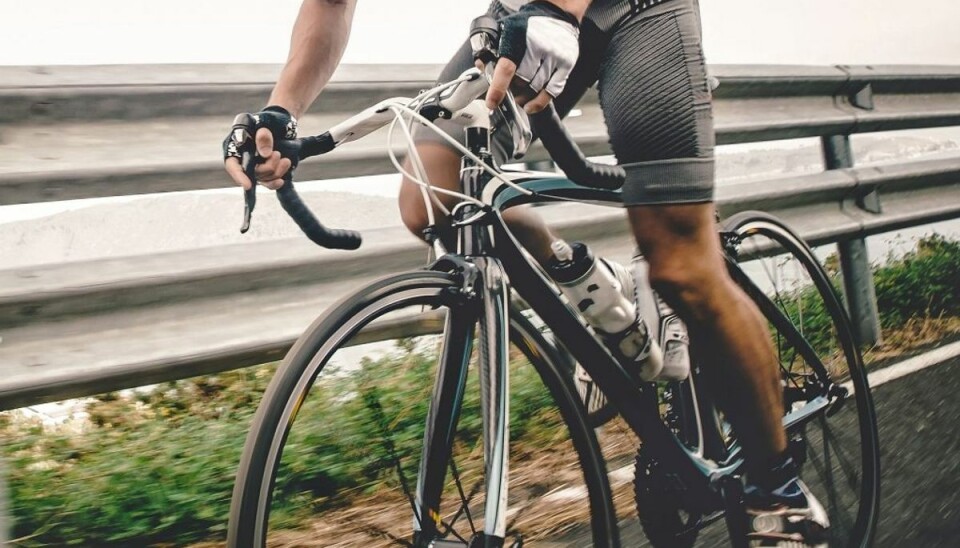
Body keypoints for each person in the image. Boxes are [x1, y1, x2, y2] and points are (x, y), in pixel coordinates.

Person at [222, 1, 829, 545]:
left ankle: (781, 495)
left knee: (681, 263)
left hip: (639, 12)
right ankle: (597, 287)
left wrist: (563, 14)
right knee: (435, 196)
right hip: (523, 16)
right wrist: (282, 109)